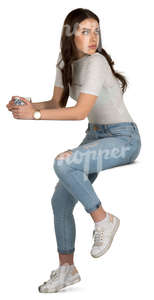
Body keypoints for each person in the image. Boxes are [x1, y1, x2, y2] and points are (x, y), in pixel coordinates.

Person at [6, 8, 141, 293]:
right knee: (60, 203)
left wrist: (36, 117)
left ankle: (104, 220)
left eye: (96, 31)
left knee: (63, 163)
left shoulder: (97, 62)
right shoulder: (65, 62)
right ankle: (67, 269)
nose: (93, 38)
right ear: (70, 35)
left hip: (123, 138)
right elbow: (57, 103)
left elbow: (79, 112)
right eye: (85, 31)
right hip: (95, 137)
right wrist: (28, 106)